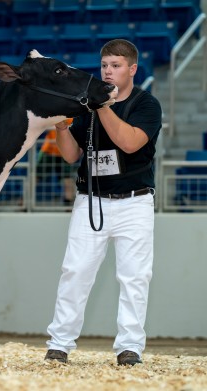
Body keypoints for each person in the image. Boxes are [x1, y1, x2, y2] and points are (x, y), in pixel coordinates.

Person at [44, 39, 162, 366]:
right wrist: (60, 125)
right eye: (105, 66)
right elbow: (71, 156)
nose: (108, 71)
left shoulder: (145, 105)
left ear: (132, 69)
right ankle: (60, 344)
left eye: (116, 66)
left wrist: (101, 107)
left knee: (135, 276)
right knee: (75, 271)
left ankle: (130, 347)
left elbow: (128, 142)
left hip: (134, 203)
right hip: (90, 200)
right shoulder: (88, 108)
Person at [37, 118, 75, 206]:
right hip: (48, 150)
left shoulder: (73, 115)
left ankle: (68, 203)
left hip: (65, 151)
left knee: (67, 178)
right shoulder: (54, 111)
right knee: (36, 175)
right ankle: (24, 201)